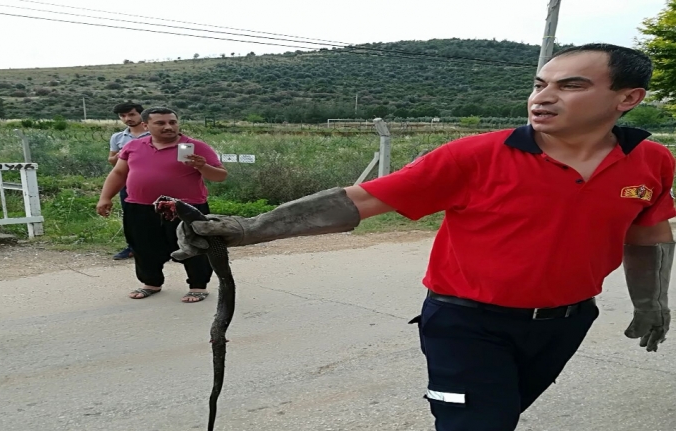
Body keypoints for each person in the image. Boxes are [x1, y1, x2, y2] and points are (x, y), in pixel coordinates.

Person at [171, 43, 676, 430]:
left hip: (567, 321)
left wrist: (651, 302)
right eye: (540, 83)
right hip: (466, 324)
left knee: (501, 416)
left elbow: (648, 231)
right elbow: (363, 199)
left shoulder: (652, 161)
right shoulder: (475, 155)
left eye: (570, 86)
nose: (542, 98)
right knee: (474, 424)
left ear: (627, 98)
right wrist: (252, 228)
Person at [96, 107, 227, 303]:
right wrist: (105, 197)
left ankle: (198, 286)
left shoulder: (195, 146)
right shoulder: (133, 146)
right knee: (143, 246)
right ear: (146, 125)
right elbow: (118, 174)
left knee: (194, 246)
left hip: (185, 208)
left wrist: (201, 166)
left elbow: (220, 176)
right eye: (161, 123)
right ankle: (151, 283)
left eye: (172, 122)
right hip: (140, 207)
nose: (168, 127)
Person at [108, 101, 150, 260]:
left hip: (154, 181)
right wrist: (122, 155)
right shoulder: (118, 137)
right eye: (123, 116)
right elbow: (112, 159)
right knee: (131, 216)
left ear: (141, 114)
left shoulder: (154, 134)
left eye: (131, 114)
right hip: (128, 182)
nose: (127, 119)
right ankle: (133, 247)